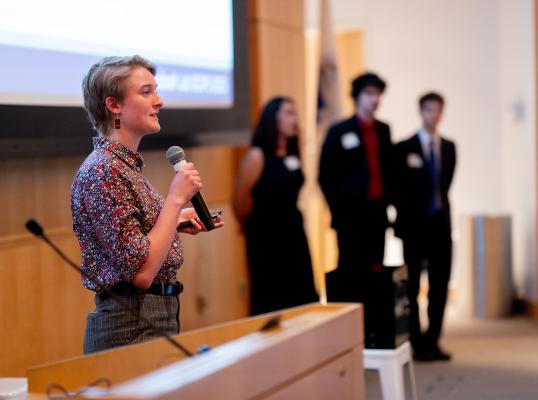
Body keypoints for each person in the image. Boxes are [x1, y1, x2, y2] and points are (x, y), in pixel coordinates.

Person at [72, 55, 223, 354]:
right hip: (130, 324)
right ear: (113, 105)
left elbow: (136, 244)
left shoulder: (123, 167)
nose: (160, 101)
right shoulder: (103, 171)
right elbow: (141, 273)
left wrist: (174, 221)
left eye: (156, 90)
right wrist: (175, 199)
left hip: (151, 315)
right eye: (146, 92)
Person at [233, 96, 318, 315]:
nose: (295, 119)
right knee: (271, 297)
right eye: (289, 113)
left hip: (294, 232)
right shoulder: (257, 155)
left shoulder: (292, 153)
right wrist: (251, 226)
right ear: (273, 118)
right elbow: (239, 200)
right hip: (266, 237)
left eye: (295, 113)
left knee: (302, 294)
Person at [318, 72, 392, 313]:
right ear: (357, 97)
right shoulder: (340, 130)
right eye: (369, 94)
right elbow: (325, 176)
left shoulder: (383, 130)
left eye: (378, 94)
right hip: (350, 218)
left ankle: (374, 328)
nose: (375, 99)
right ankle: (350, 330)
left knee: (376, 271)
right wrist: (339, 210)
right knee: (350, 272)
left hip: (377, 216)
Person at [392, 92, 456, 361]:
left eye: (439, 110)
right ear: (421, 111)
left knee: (440, 284)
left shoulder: (449, 147)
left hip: (440, 226)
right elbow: (397, 189)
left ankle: (434, 339)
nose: (434, 115)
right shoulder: (404, 148)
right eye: (430, 110)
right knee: (413, 285)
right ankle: (416, 341)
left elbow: (445, 184)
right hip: (414, 228)